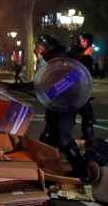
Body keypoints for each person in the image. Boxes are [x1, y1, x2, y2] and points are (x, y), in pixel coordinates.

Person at [36, 35, 88, 180]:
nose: (39, 51)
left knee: (64, 140)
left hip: (66, 106)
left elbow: (72, 79)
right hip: (56, 106)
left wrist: (50, 92)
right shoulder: (53, 60)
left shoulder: (61, 60)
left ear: (48, 47)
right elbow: (44, 84)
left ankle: (82, 171)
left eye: (40, 48)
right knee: (49, 138)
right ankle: (45, 172)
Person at [69, 32, 96, 146]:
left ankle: (88, 135)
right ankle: (64, 137)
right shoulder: (76, 52)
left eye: (84, 40)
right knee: (70, 114)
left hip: (82, 89)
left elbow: (89, 72)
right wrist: (85, 55)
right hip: (73, 88)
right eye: (81, 40)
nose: (81, 42)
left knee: (88, 115)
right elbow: (74, 64)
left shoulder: (85, 54)